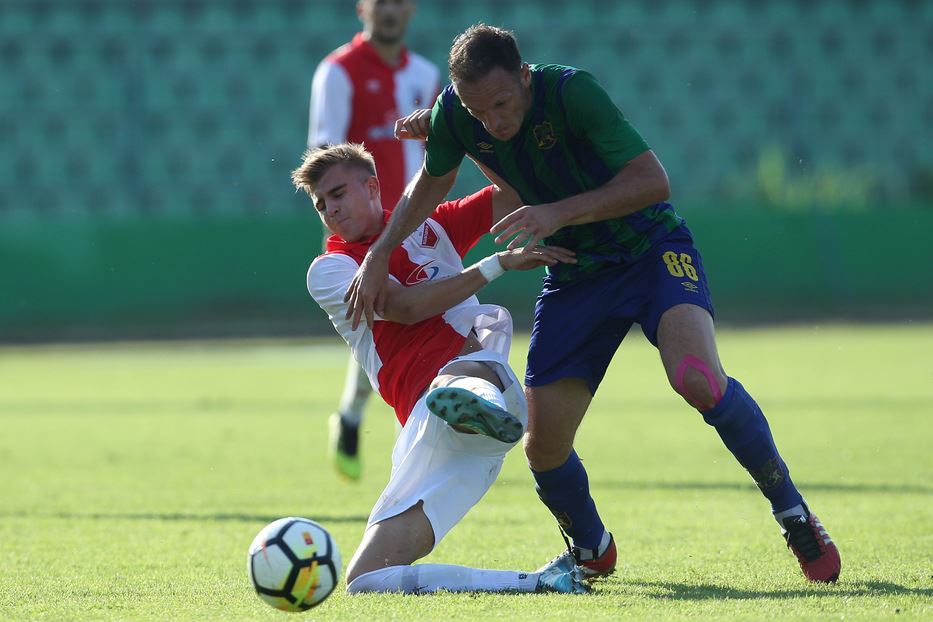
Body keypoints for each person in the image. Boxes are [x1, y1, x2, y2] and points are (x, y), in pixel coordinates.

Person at [344, 24, 842, 584]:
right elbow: (429, 186)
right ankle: (591, 549)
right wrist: (379, 252)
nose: (494, 122)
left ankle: (793, 513)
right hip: (574, 272)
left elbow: (654, 181)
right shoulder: (458, 114)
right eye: (478, 112)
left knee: (697, 377)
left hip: (649, 250)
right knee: (543, 447)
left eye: (503, 104)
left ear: (525, 78)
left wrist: (556, 212)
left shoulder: (571, 92)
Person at [292, 143, 586, 594]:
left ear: (372, 186)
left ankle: (475, 394)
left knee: (478, 334)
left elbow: (515, 192)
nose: (330, 209)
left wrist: (462, 139)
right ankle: (541, 582)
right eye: (321, 204)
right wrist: (497, 263)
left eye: (337, 194)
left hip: (474, 384)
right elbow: (406, 308)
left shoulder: (433, 226)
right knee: (367, 580)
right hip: (430, 430)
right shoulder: (330, 269)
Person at [308, 0, 440, 480]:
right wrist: (340, 238)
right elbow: (322, 155)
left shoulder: (425, 75)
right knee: (379, 328)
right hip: (362, 229)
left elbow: (434, 154)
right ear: (363, 7)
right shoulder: (338, 72)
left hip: (411, 218)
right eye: (380, 1)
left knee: (411, 324)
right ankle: (373, 425)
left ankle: (354, 415)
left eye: (398, 2)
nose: (389, 10)